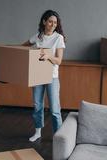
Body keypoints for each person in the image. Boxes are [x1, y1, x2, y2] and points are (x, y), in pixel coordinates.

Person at [23, 10, 66, 142]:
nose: (53, 24)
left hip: (52, 77)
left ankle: (58, 136)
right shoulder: (38, 36)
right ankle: (37, 132)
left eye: (55, 22)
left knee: (54, 109)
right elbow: (24, 46)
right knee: (37, 105)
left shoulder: (58, 38)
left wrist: (48, 56)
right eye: (50, 21)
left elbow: (59, 60)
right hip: (37, 76)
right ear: (44, 22)